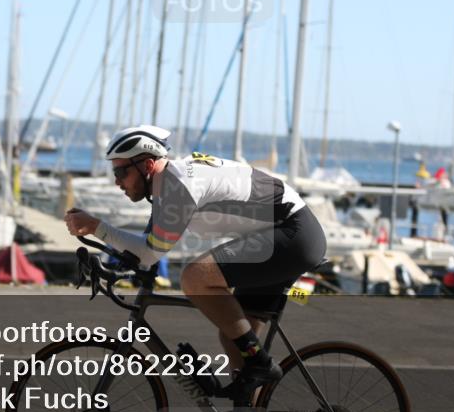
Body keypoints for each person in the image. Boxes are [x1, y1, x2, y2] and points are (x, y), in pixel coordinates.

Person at [64, 125, 327, 387]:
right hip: (281, 234)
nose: (117, 181)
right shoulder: (166, 186)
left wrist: (97, 227)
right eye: (114, 171)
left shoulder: (179, 187)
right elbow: (143, 249)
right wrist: (111, 265)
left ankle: (261, 363)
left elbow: (149, 254)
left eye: (121, 171)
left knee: (195, 277)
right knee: (233, 339)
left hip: (293, 234)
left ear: (147, 165)